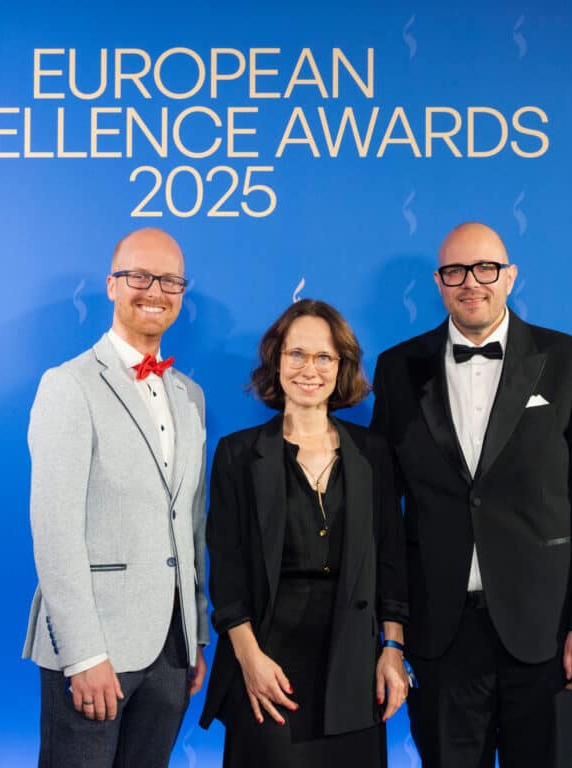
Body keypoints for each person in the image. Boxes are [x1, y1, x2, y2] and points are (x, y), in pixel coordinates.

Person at [370, 222, 572, 768]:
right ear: (439, 283)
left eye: (485, 269)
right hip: (440, 635)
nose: (471, 283)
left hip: (547, 632)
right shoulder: (397, 368)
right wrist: (392, 631)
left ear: (509, 277)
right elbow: (383, 511)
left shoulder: (568, 360)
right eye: (455, 271)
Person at [22, 227, 209, 768]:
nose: (155, 291)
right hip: (96, 647)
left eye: (170, 281)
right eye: (139, 276)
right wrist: (83, 654)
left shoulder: (191, 395)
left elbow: (190, 523)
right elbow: (55, 531)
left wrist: (195, 633)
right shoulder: (68, 385)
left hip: (171, 650)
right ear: (111, 285)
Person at [199, 299, 411, 768]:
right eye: (296, 354)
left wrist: (393, 649)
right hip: (268, 663)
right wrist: (249, 660)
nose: (309, 369)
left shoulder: (373, 453)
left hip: (355, 664)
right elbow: (227, 571)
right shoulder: (238, 455)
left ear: (341, 367)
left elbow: (391, 561)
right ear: (276, 361)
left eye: (324, 357)